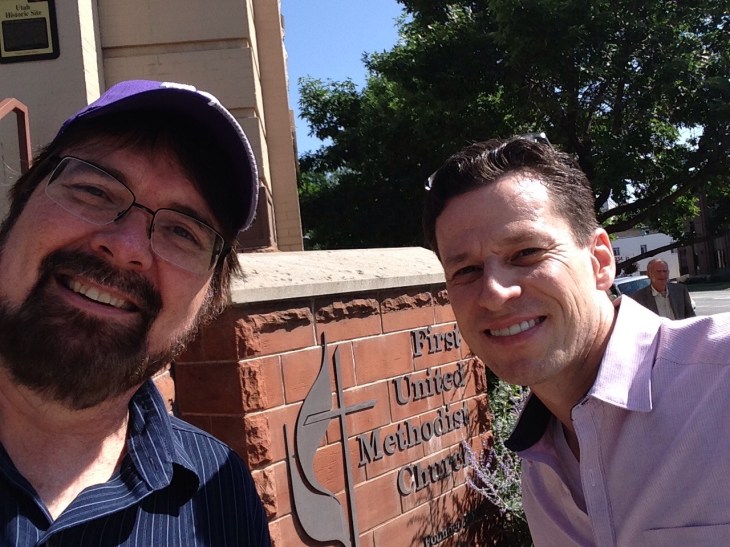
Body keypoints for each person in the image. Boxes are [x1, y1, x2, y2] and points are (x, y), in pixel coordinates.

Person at [0, 80, 271, 545]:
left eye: (183, 232)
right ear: (17, 210)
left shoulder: (222, 494)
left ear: (208, 302)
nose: (127, 247)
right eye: (94, 191)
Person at [423, 137, 730, 545]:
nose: (493, 293)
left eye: (526, 252)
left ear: (600, 261)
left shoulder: (721, 381)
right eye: (466, 271)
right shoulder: (540, 477)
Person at [629, 258, 695, 319]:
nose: (662, 274)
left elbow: (691, 318)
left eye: (665, 271)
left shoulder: (680, 291)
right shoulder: (639, 298)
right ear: (649, 274)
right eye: (658, 271)